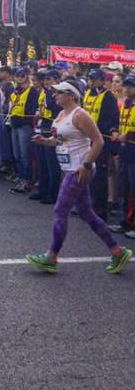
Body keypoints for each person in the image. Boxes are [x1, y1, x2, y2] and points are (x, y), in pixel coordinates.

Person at [26, 81, 132, 275]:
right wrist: (46, 142)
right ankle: (118, 251)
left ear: (71, 95)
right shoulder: (61, 115)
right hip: (69, 168)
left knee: (60, 210)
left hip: (79, 170)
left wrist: (86, 164)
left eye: (58, 92)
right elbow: (59, 140)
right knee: (87, 213)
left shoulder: (80, 114)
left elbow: (98, 141)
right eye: (54, 92)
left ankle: (51, 257)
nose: (54, 95)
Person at [82, 69, 120, 223]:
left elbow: (113, 117)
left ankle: (100, 210)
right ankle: (89, 206)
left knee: (100, 177)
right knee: (89, 172)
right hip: (88, 138)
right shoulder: (88, 94)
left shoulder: (108, 96)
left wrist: (112, 130)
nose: (91, 82)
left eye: (94, 79)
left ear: (102, 80)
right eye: (90, 79)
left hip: (101, 139)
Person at [29, 69, 61, 203]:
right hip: (41, 127)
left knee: (51, 164)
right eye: (46, 79)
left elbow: (54, 108)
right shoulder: (43, 92)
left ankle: (53, 193)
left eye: (50, 79)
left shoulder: (56, 94)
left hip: (52, 129)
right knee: (41, 162)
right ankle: (42, 190)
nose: (47, 82)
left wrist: (49, 93)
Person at [109, 75, 135, 238]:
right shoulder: (125, 104)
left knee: (133, 190)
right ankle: (125, 222)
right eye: (126, 86)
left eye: (131, 86)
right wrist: (115, 132)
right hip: (125, 150)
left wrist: (129, 136)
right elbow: (118, 123)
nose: (127, 89)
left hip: (133, 150)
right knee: (124, 187)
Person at [8, 67, 40, 194]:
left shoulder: (32, 91)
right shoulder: (16, 91)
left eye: (22, 76)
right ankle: (21, 179)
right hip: (14, 124)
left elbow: (32, 109)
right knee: (16, 155)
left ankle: (27, 181)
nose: (19, 78)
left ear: (27, 76)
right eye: (17, 76)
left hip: (24, 125)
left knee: (24, 155)